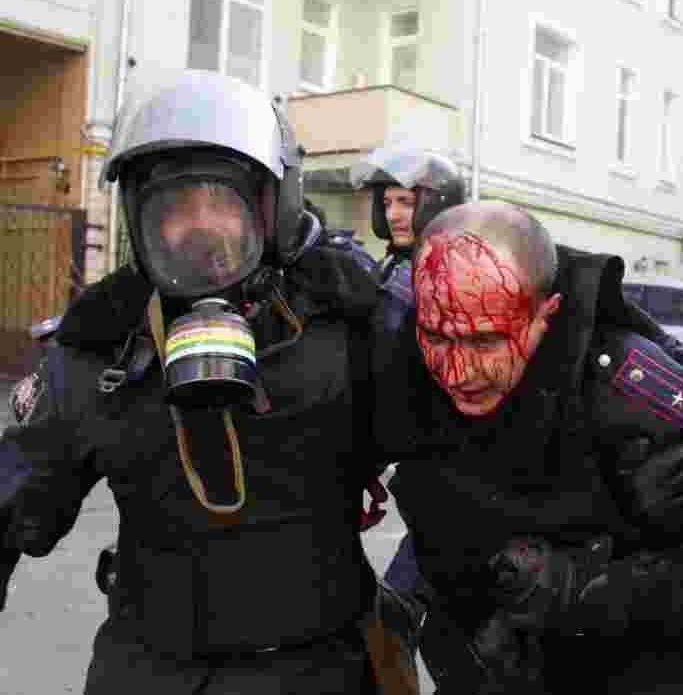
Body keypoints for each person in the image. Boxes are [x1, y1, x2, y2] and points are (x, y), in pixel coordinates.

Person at [0, 69, 393, 693]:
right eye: (177, 207)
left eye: (223, 201)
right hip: (149, 669)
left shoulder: (346, 328)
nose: (202, 227)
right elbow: (14, 502)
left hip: (318, 670)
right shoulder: (96, 352)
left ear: (270, 210)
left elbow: (460, 465)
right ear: (141, 219)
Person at [375, 200, 683, 693]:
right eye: (438, 338)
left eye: (485, 343)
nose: (457, 372)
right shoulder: (405, 369)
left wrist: (591, 586)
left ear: (546, 315)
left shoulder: (635, 396)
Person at [348, 145, 467, 593]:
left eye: (406, 202)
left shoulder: (440, 274)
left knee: (408, 595)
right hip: (418, 457)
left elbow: (388, 372)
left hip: (449, 461)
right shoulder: (397, 266)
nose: (394, 214)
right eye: (387, 203)